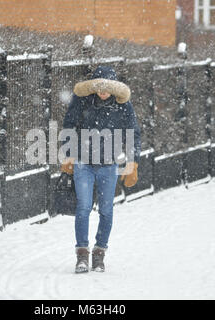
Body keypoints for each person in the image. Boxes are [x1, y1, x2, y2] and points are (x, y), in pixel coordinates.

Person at [60, 65, 141, 273]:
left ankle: (99, 253)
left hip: (109, 164)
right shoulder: (82, 101)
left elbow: (133, 132)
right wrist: (68, 153)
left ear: (114, 88)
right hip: (83, 162)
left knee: (106, 210)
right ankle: (82, 255)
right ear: (93, 87)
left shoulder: (123, 105)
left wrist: (133, 162)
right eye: (99, 87)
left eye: (107, 88)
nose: (103, 92)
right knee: (83, 207)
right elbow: (69, 124)